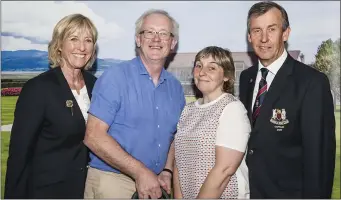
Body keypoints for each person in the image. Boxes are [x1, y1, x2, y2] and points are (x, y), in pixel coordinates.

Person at [83, 9, 185, 199]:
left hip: (156, 185)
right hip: (113, 182)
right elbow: (93, 136)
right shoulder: (115, 78)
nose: (156, 39)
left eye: (163, 33)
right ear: (138, 39)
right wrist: (140, 171)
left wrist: (167, 170)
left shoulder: (176, 88)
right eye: (149, 32)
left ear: (172, 43)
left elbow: (174, 137)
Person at [239, 1, 336, 198]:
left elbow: (319, 158)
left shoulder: (312, 83)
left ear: (286, 33)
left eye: (271, 29)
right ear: (249, 36)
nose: (264, 38)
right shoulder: (246, 78)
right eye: (257, 31)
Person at [4, 14, 98, 198]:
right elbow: (19, 154)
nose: (81, 47)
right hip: (47, 190)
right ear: (59, 45)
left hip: (87, 190)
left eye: (88, 40)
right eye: (73, 39)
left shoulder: (96, 85)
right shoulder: (38, 89)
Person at [174, 46, 251, 199]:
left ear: (227, 76)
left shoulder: (232, 108)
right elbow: (179, 164)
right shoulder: (187, 110)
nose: (202, 72)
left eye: (212, 68)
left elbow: (224, 170)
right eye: (199, 65)